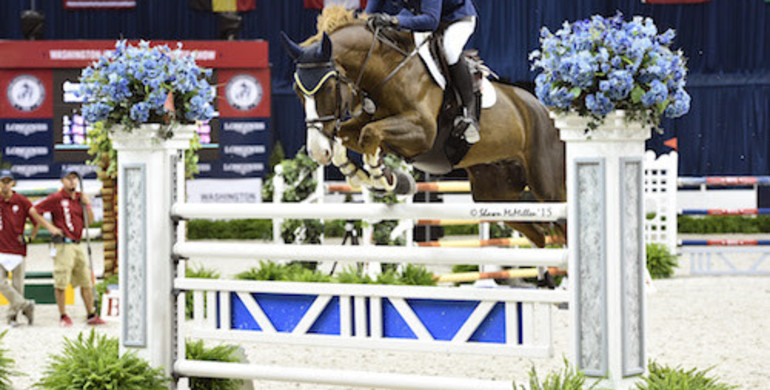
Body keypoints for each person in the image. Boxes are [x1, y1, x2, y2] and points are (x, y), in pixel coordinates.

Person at [366, 0, 481, 144]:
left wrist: (394, 20)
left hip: (455, 18)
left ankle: (469, 112)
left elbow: (431, 21)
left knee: (450, 50)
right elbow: (368, 15)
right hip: (420, 13)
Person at [33, 169, 105, 327]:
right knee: (61, 280)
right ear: (62, 181)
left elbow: (90, 221)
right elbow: (34, 210)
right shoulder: (56, 198)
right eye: (68, 178)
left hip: (78, 243)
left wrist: (88, 205)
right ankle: (63, 315)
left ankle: (91, 314)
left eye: (74, 178)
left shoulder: (80, 198)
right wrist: (50, 228)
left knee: (86, 279)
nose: (72, 181)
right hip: (63, 244)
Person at [0, 169, 61, 325]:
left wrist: (30, 237)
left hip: (17, 248)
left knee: (17, 285)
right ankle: (26, 305)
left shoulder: (21, 201)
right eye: (2, 182)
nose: (5, 185)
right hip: (1, 246)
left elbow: (36, 220)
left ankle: (12, 316)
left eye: (8, 182)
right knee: (1, 283)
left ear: (12, 183)